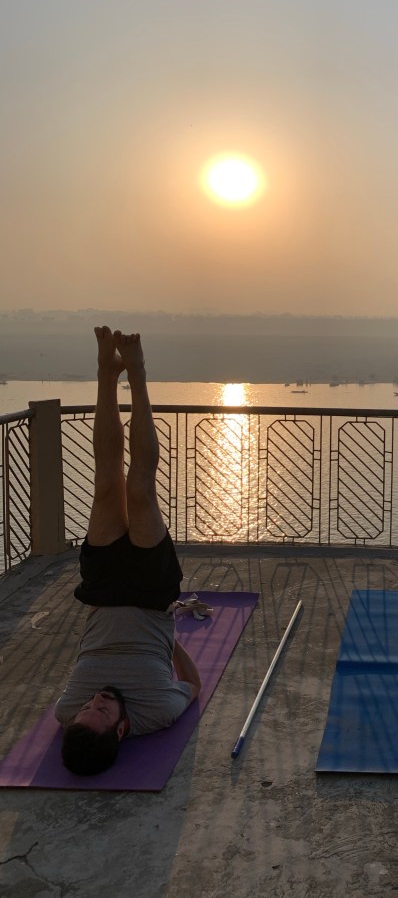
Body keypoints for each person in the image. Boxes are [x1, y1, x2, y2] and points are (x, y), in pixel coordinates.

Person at [55, 327, 204, 776]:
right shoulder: (158, 710)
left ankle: (105, 372)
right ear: (122, 730)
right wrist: (170, 637)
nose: (94, 700)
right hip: (151, 593)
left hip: (101, 594)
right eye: (101, 711)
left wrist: (84, 711)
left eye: (87, 708)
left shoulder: (67, 712)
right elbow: (194, 685)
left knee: (105, 486)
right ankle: (137, 374)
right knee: (138, 489)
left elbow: (79, 699)